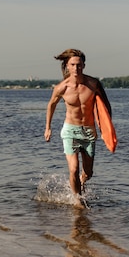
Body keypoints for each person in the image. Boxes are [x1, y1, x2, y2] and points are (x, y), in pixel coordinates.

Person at [44, 49, 112, 207]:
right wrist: (48, 128)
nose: (76, 68)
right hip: (70, 131)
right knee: (73, 169)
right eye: (73, 65)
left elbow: (106, 106)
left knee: (88, 173)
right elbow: (51, 105)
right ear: (67, 66)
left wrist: (107, 130)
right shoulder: (62, 87)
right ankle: (77, 201)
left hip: (89, 132)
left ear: (84, 65)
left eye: (79, 65)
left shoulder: (93, 84)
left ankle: (81, 183)